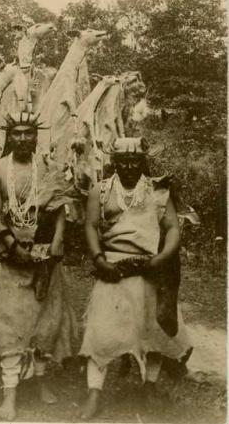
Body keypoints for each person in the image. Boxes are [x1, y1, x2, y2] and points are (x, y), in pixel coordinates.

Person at [79, 137, 192, 419]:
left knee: (152, 329)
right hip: (114, 267)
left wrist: (161, 259)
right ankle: (94, 392)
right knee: (101, 331)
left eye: (135, 161)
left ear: (143, 162)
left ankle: (149, 385)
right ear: (113, 163)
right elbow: (91, 227)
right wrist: (99, 259)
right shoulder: (101, 191)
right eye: (122, 162)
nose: (129, 167)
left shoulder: (157, 190)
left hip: (150, 267)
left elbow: (173, 228)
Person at [0, 111, 75, 420]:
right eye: (17, 133)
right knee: (11, 322)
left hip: (45, 254)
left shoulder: (49, 167)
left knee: (45, 321)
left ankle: (40, 381)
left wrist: (57, 242)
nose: (23, 138)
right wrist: (11, 244)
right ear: (9, 137)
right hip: (11, 256)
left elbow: (61, 207)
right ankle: (9, 394)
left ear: (37, 136)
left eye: (28, 133)